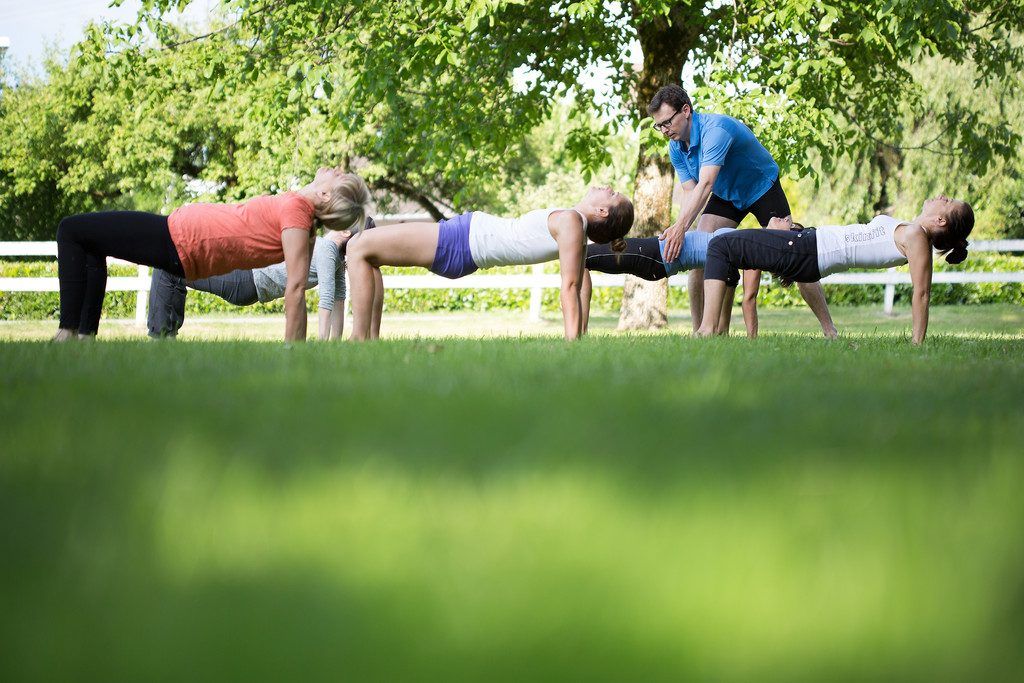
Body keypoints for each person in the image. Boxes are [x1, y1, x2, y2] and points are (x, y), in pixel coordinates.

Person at [53, 167, 371, 342]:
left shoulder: (298, 212)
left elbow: (296, 288)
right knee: (91, 242)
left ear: (326, 194)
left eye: (341, 176)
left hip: (179, 241)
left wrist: (293, 351)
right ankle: (83, 338)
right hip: (177, 235)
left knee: (71, 230)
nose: (336, 169)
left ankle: (67, 333)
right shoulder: (299, 213)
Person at [648, 84, 836, 338]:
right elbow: (691, 193)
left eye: (667, 122)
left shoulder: (716, 130)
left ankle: (830, 330)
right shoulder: (676, 147)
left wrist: (680, 227)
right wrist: (683, 230)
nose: (664, 130)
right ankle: (703, 332)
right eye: (659, 125)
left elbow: (705, 185)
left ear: (686, 110)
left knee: (795, 253)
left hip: (760, 186)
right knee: (699, 251)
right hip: (727, 195)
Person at [345, 186, 635, 340]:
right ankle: (368, 341)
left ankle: (360, 341)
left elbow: (571, 286)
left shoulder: (572, 222)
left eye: (612, 194)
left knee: (358, 246)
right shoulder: (576, 226)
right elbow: (583, 282)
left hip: (458, 242)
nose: (607, 186)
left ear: (602, 211)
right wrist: (580, 335)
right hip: (461, 239)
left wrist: (572, 340)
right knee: (369, 252)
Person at [696, 196, 974, 344]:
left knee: (721, 244)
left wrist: (917, 343)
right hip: (807, 246)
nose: (942, 196)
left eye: (948, 201)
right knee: (731, 247)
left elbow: (922, 293)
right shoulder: (911, 230)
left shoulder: (916, 236)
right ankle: (830, 333)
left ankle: (708, 330)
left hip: (805, 250)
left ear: (940, 220)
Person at [147, 217, 381, 340]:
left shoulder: (327, 249)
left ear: (345, 232)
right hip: (249, 281)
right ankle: (166, 337)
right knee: (172, 270)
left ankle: (162, 338)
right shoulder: (335, 257)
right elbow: (338, 300)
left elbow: (329, 299)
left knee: (167, 268)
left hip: (247, 279)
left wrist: (322, 341)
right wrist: (334, 344)